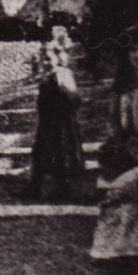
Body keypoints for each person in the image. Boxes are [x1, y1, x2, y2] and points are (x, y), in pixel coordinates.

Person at [91, 22, 138, 275]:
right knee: (125, 265)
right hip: (130, 192)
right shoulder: (126, 94)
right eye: (133, 47)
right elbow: (115, 136)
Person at [28, 26, 85, 198]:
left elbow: (75, 100)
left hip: (60, 123)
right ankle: (37, 186)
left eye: (48, 58)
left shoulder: (61, 75)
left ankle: (60, 187)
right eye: (42, 58)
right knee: (43, 151)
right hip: (48, 122)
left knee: (58, 152)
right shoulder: (49, 76)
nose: (45, 61)